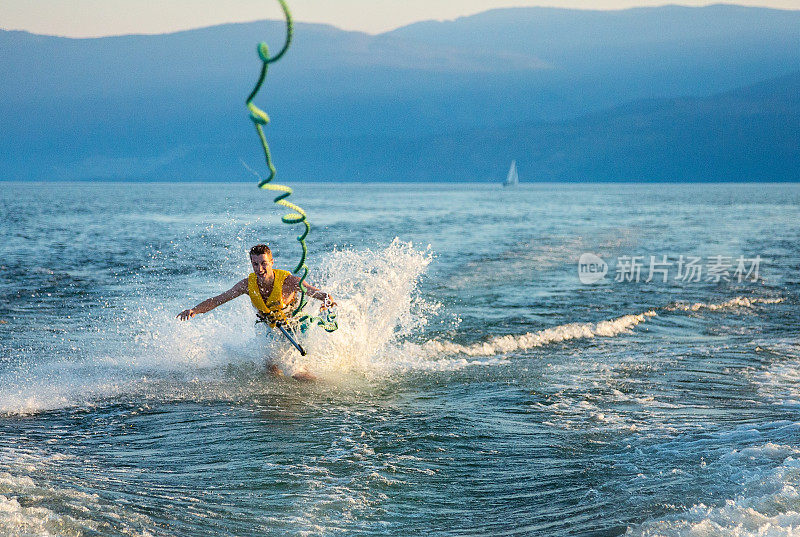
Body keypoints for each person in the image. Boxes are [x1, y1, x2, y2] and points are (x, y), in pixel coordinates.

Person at [177, 244, 336, 378]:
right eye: (255, 264)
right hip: (272, 328)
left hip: (296, 328)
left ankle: (319, 393)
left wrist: (327, 300)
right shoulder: (246, 284)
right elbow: (219, 299)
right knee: (270, 371)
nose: (259, 269)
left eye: (264, 263)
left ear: (272, 262)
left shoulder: (288, 281)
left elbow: (315, 292)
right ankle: (279, 403)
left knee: (297, 373)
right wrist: (195, 310)